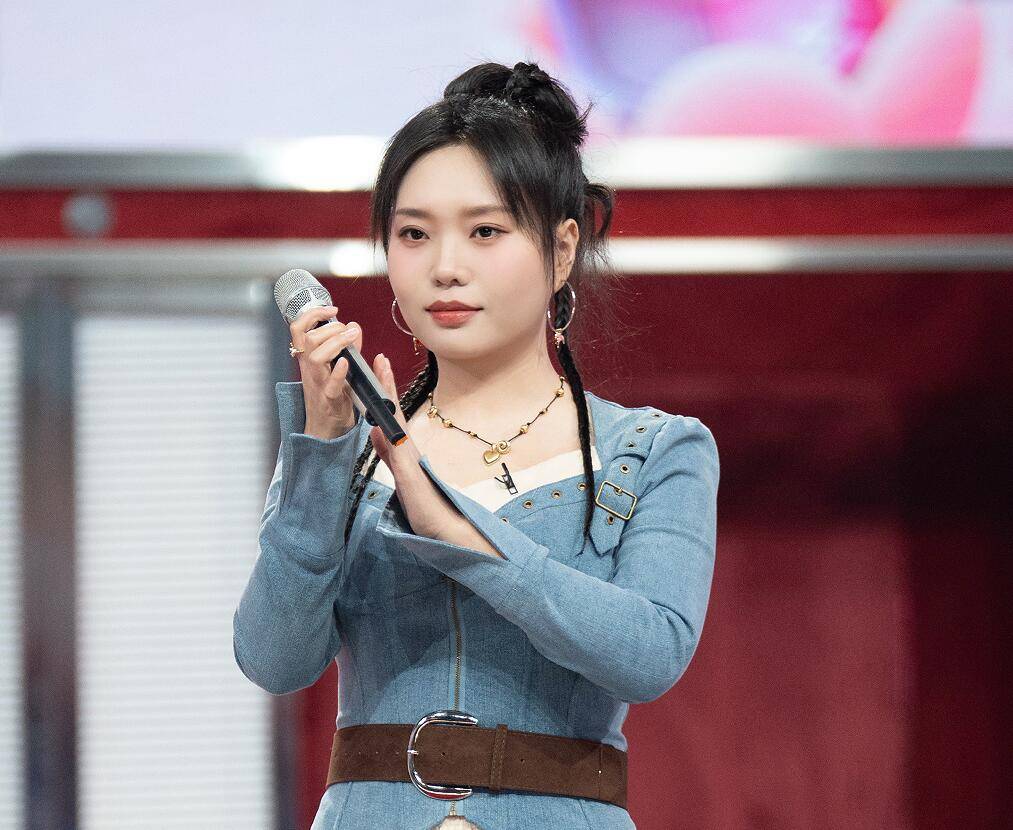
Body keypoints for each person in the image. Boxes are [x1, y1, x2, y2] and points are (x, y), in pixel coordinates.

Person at [233, 61, 719, 830]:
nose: (445, 267)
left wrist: (456, 531)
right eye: (413, 234)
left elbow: (649, 654)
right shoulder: (349, 452)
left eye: (485, 231)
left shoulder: (653, 450)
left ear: (561, 249)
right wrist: (323, 448)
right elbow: (273, 657)